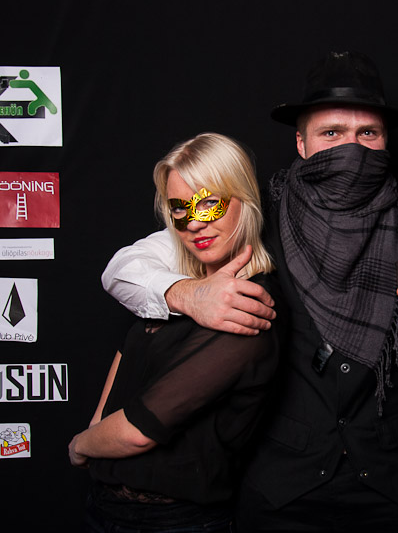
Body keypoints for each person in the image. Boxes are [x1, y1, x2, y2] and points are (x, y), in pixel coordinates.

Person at [100, 52, 398, 532]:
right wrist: (187, 294)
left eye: (367, 133)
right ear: (301, 143)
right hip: (281, 490)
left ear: (386, 141)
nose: (351, 148)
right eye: (331, 133)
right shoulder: (256, 213)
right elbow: (125, 267)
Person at [68, 133, 287, 532]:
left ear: (244, 198)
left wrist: (81, 445)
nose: (194, 223)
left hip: (175, 522)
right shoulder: (179, 273)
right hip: (103, 507)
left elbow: (141, 429)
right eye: (180, 209)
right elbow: (129, 344)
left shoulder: (250, 304)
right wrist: (96, 423)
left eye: (208, 203)